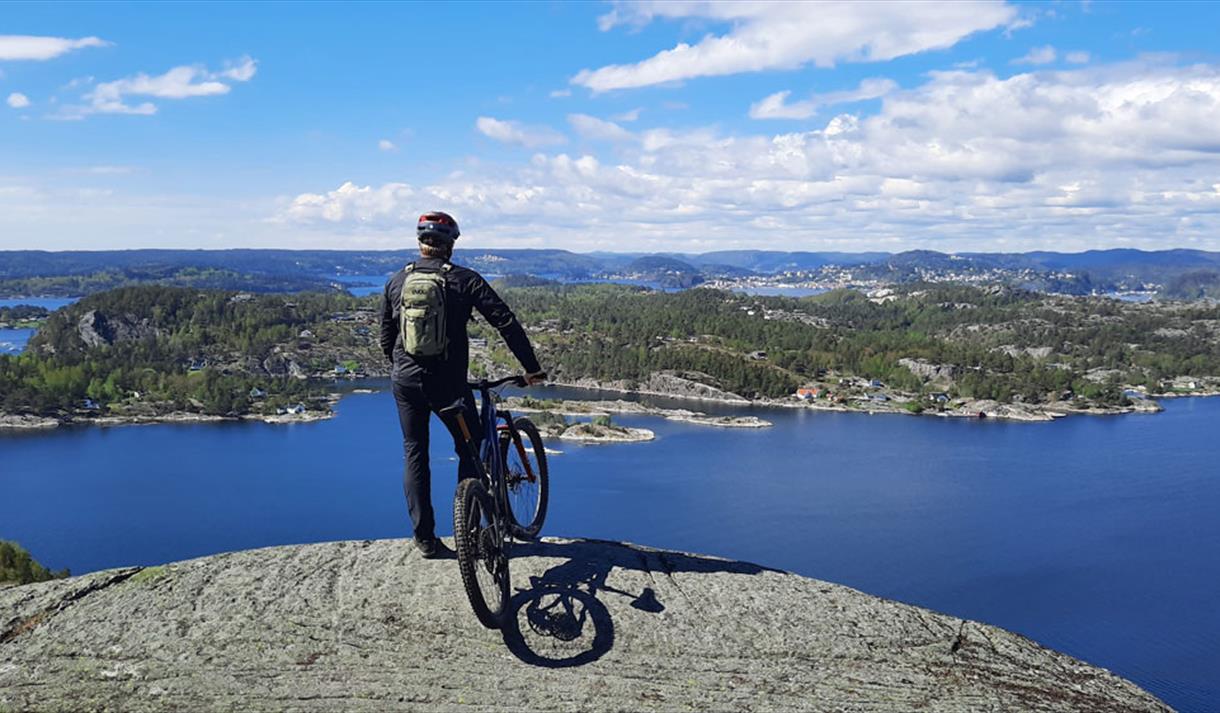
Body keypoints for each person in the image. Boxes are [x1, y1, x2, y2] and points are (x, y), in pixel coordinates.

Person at [380, 211, 545, 559]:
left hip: (406, 382)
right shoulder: (464, 279)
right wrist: (531, 368)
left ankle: (425, 539)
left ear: (420, 244)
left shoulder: (397, 280)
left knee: (415, 452)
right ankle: (469, 532)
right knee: (472, 450)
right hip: (448, 386)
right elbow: (506, 322)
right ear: (450, 245)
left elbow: (386, 337)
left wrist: (401, 369)